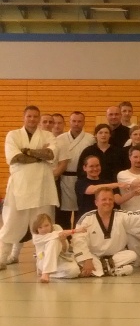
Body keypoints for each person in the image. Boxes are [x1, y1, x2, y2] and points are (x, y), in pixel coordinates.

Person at [1, 106, 58, 269]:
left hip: (42, 187)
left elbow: (50, 155)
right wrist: (39, 155)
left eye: (35, 116)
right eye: (29, 116)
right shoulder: (13, 135)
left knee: (44, 225)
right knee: (11, 223)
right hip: (20, 186)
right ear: (24, 117)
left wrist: (26, 151)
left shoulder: (48, 135)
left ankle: (45, 261)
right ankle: (2, 257)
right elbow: (15, 158)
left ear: (39, 118)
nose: (32, 119)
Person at [72, 188, 140, 277]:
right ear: (96, 202)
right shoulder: (86, 218)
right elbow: (78, 240)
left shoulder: (120, 216)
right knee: (127, 268)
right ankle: (109, 270)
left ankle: (99, 270)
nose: (108, 202)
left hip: (115, 257)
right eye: (104, 199)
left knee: (132, 255)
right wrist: (87, 259)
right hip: (93, 257)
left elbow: (137, 215)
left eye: (110, 199)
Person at [53, 111, 95, 228]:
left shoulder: (90, 139)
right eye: (74, 121)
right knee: (63, 213)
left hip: (82, 178)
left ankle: (79, 236)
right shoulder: (60, 138)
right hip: (64, 179)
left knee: (81, 211)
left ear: (84, 122)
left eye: (79, 121)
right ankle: (64, 236)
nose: (76, 124)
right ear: (69, 122)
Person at [31, 213, 81, 282]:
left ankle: (49, 273)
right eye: (40, 227)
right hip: (44, 261)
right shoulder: (36, 236)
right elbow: (56, 234)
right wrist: (75, 231)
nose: (44, 229)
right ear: (36, 228)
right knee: (54, 240)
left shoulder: (57, 227)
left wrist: (63, 241)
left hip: (60, 259)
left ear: (51, 224)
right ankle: (46, 273)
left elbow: (65, 250)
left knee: (74, 271)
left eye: (46, 225)